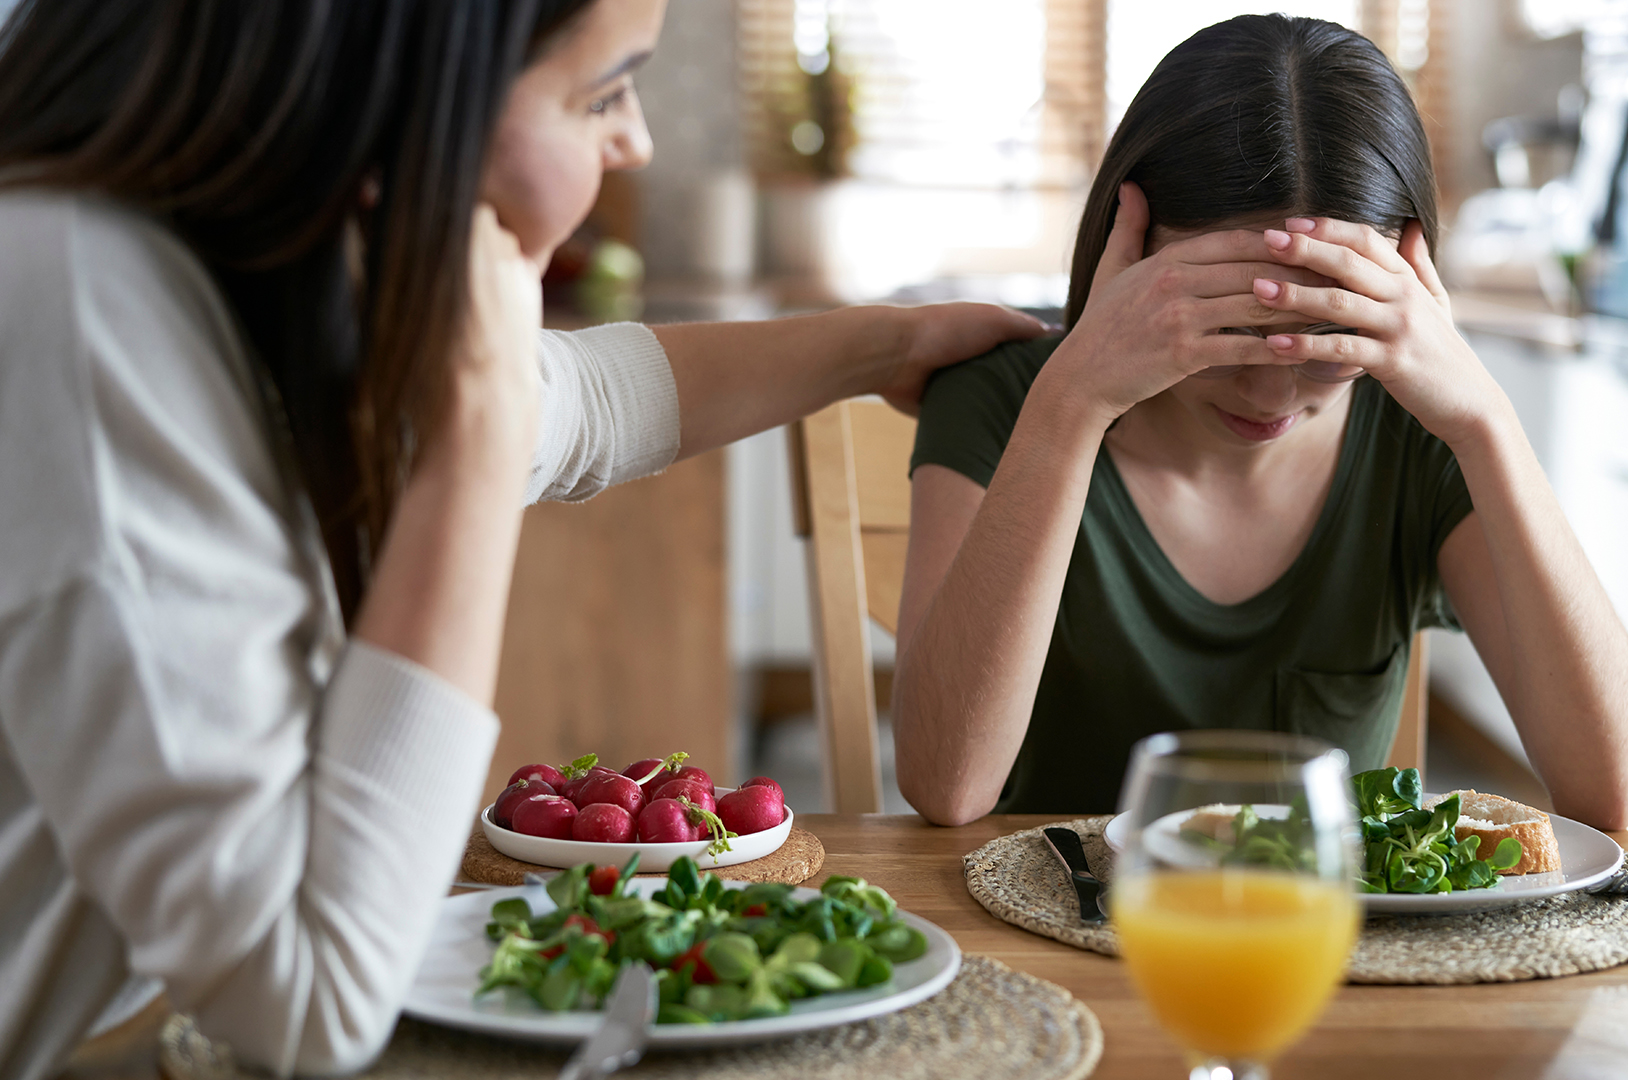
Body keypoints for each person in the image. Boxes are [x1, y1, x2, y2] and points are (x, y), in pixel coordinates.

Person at [0, 0, 1041, 1075]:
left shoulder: (224, 260)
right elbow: (309, 1003)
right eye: (600, 91)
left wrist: (892, 344)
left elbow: (586, 401)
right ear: (406, 90)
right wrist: (477, 446)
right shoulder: (82, 320)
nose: (634, 138)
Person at [891, 15, 1628, 830]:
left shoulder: (1423, 433)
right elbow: (948, 786)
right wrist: (1070, 405)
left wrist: (1486, 422)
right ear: (1132, 251)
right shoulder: (1008, 402)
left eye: (1328, 338)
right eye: (1226, 328)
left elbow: (1610, 789)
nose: (1271, 392)